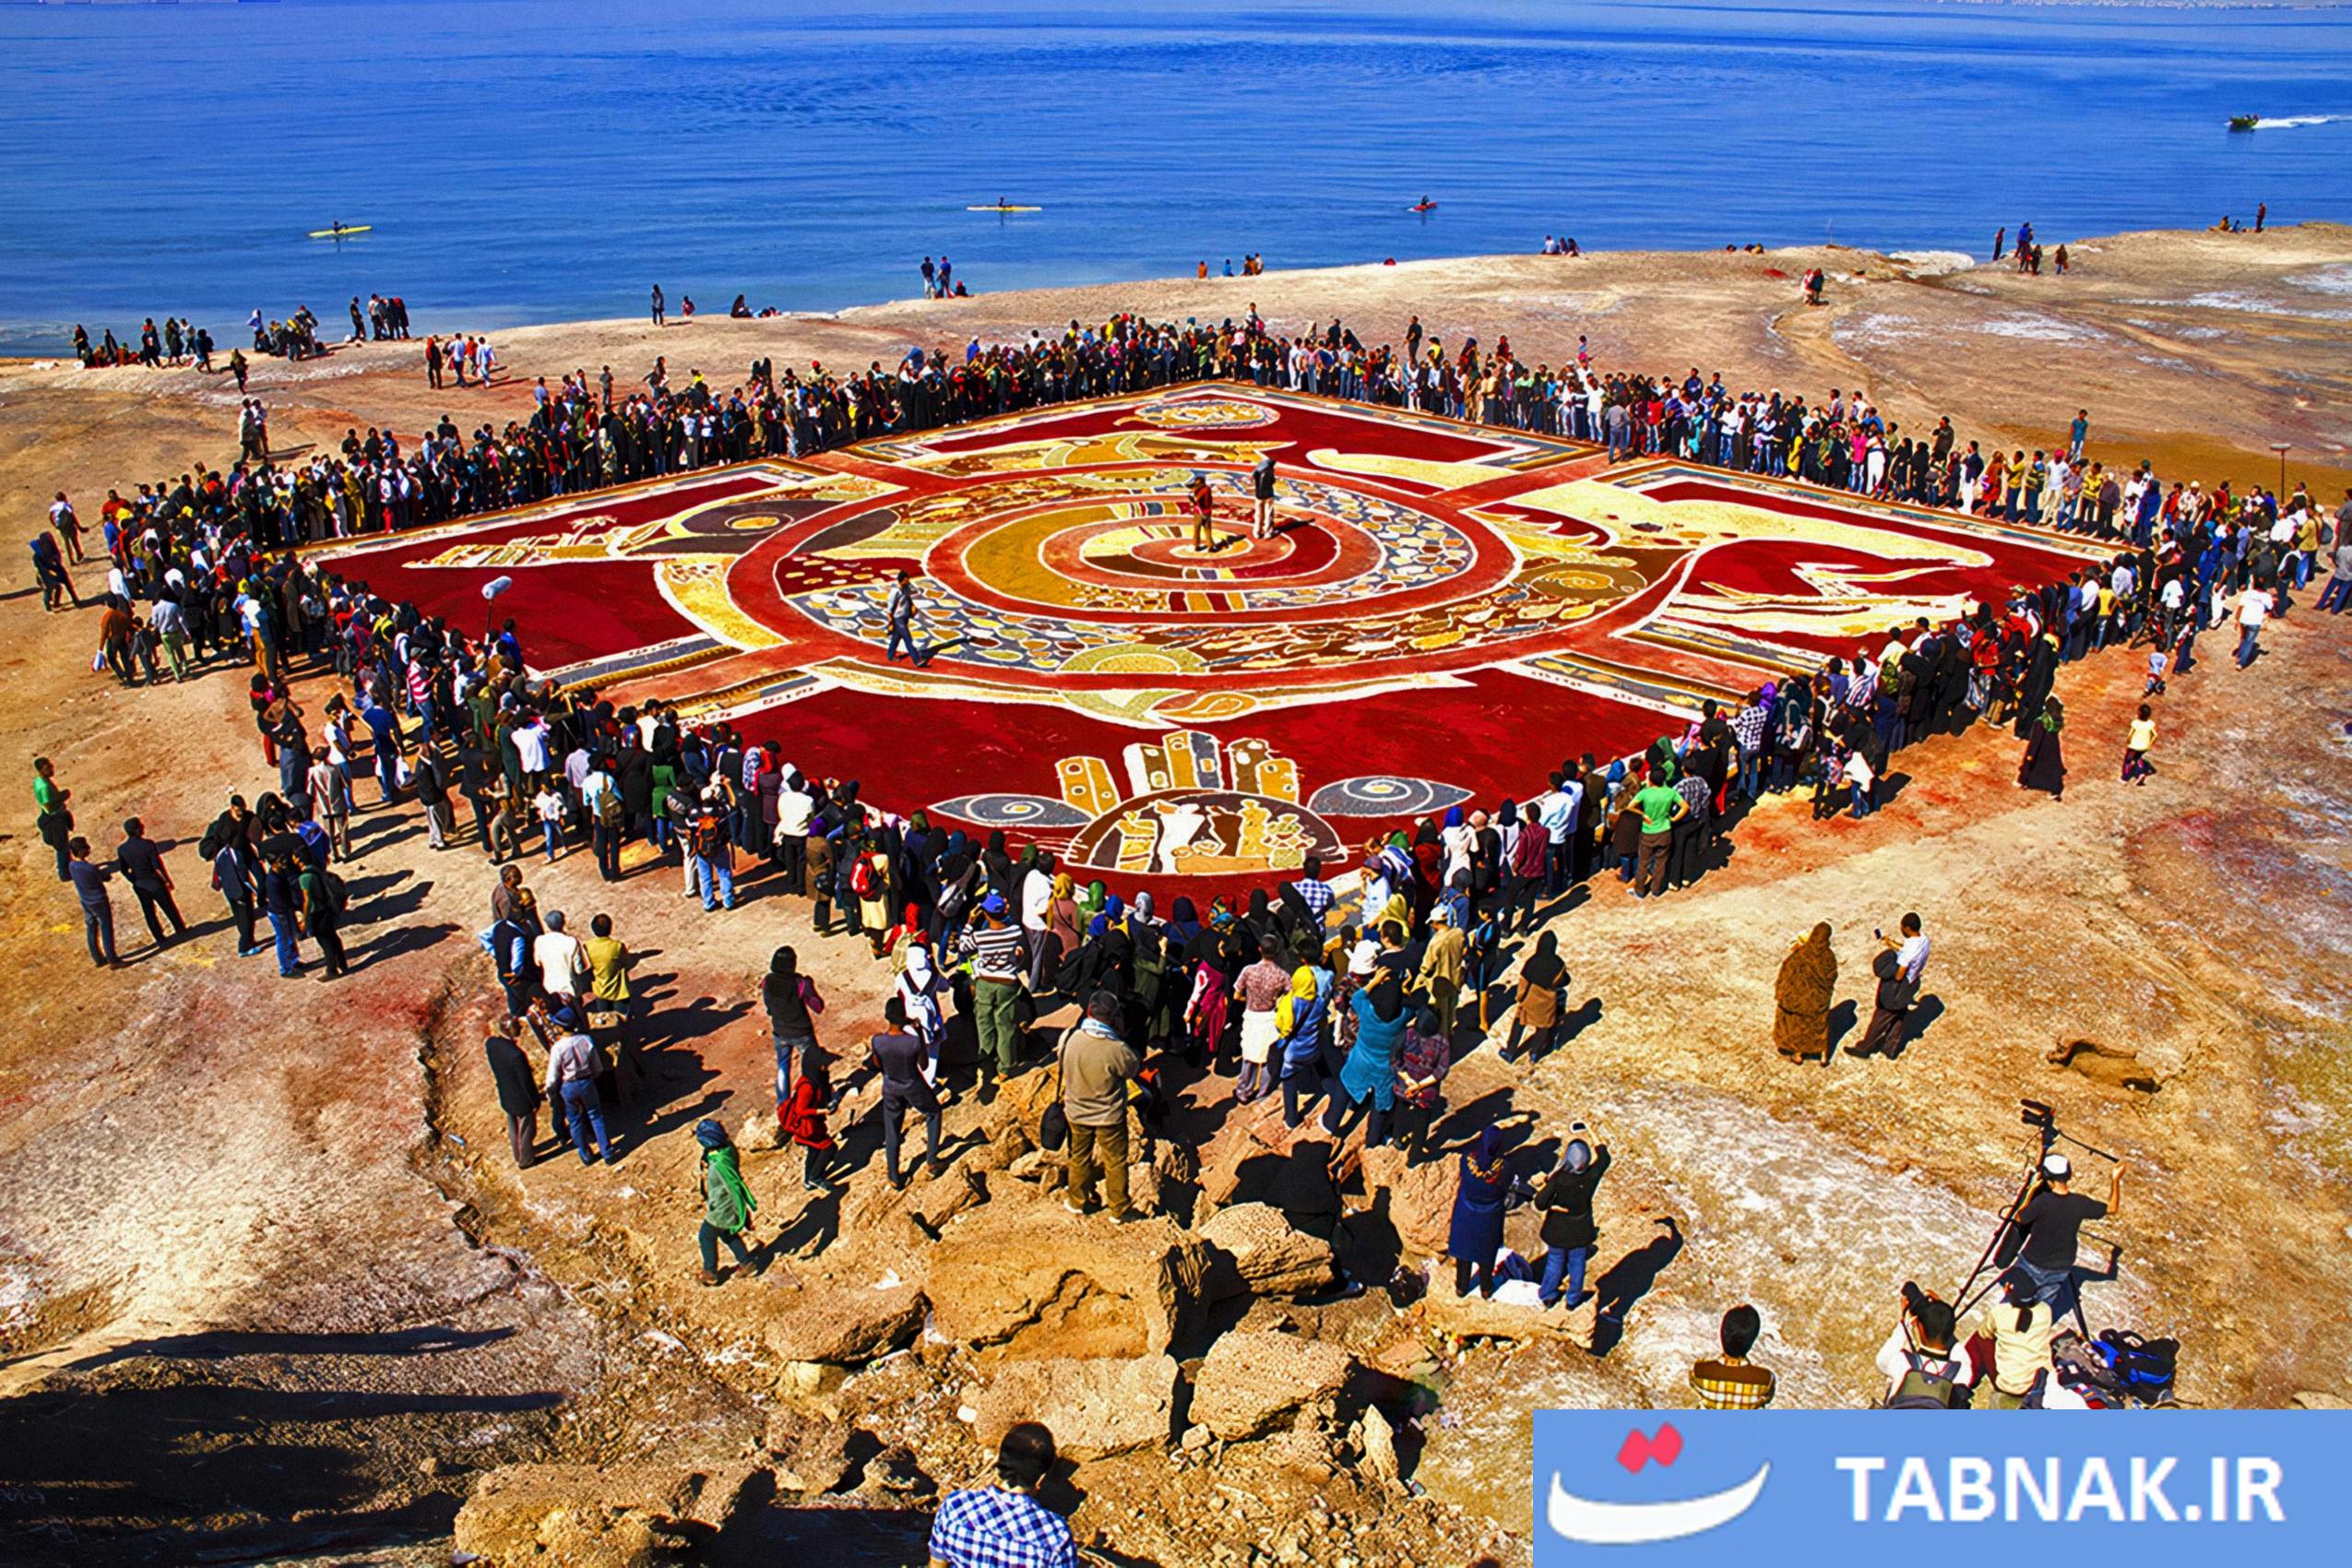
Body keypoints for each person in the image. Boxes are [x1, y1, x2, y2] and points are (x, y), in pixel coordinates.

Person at [927, 1421, 1075, 1568]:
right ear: (1041, 1478)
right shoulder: (1056, 1536)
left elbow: (937, 1564)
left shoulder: (956, 1507)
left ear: (999, 1460)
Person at [1998, 1152, 2123, 1316]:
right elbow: (2112, 1208)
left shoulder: (2042, 1202)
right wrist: (2115, 1179)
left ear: (2046, 1177)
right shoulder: (2079, 1203)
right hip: (2060, 1267)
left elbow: (2020, 1217)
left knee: (2010, 1307)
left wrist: (2031, 1190)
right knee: (2040, 1312)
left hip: (2033, 1262)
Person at [1062, 990, 1140, 1220]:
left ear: (1088, 1012)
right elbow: (1132, 1068)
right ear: (1114, 1017)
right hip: (1109, 1116)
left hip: (1076, 1111)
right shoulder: (1117, 1049)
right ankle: (1119, 1209)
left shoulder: (1070, 1038)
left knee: (1079, 1156)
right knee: (1115, 1162)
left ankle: (1077, 1200)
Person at [957, 895, 1027, 1098]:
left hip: (985, 982)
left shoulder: (980, 936)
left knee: (984, 1024)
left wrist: (970, 923)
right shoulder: (1014, 931)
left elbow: (962, 946)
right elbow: (1017, 943)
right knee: (1006, 1025)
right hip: (1007, 983)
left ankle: (986, 1064)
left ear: (986, 914)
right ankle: (1005, 1068)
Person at [872, 996, 944, 1189]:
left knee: (892, 1129)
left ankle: (894, 1175)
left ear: (887, 1017)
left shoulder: (878, 1041)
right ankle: (931, 1161)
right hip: (912, 1085)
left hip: (890, 1087)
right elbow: (924, 1064)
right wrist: (919, 1032)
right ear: (904, 1015)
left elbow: (877, 1064)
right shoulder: (911, 1042)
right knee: (934, 1112)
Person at [1534, 1126, 1610, 1309]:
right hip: (1581, 1228)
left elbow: (1540, 1203)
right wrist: (1591, 1129)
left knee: (1554, 1262)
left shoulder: (1559, 1178)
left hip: (1557, 1230)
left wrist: (1555, 1206)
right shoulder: (1592, 1175)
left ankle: (1548, 1296)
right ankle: (1572, 1300)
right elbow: (1604, 1155)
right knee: (1577, 1264)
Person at [1447, 1125, 1515, 1300]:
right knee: (1486, 1253)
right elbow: (1505, 1187)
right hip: (1490, 1216)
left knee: (1464, 1252)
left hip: (1466, 1212)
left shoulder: (1467, 1161)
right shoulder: (1504, 1168)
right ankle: (1486, 1288)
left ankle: (1461, 1287)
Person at [1875, 1285, 1968, 1408]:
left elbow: (1881, 1361)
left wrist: (1905, 1321)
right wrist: (1941, 1312)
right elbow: (1956, 1346)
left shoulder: (1901, 1363)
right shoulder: (1962, 1370)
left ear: (1920, 1329)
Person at [694, 1118, 759, 1286]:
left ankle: (710, 1272)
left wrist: (744, 1213)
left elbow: (734, 1186)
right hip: (724, 1204)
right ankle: (747, 1263)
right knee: (726, 1233)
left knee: (706, 1236)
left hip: (723, 1207)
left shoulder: (721, 1165)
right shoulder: (727, 1148)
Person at [1851, 914, 1926, 1059]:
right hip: (1912, 982)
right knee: (1899, 1014)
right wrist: (1890, 943)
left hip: (1900, 986)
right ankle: (1890, 1047)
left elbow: (1899, 974)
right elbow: (1907, 950)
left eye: (1902, 927)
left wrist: (1890, 971)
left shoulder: (1909, 952)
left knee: (1882, 1016)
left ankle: (1864, 1047)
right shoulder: (1923, 939)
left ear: (1908, 928)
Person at [544, 1011, 614, 1165]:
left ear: (561, 1028)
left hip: (568, 1086)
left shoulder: (558, 1047)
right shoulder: (586, 1040)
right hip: (587, 1082)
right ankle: (607, 1152)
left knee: (575, 1120)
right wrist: (592, 1076)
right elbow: (597, 1066)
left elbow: (553, 1074)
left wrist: (551, 1090)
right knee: (596, 1116)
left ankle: (586, 1155)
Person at [762, 945, 824, 1105]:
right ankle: (813, 1100)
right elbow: (818, 1007)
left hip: (780, 1031)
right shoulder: (800, 983)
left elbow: (769, 1007)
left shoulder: (767, 981)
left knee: (782, 1065)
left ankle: (783, 1102)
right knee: (811, 1066)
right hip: (802, 1032)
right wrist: (811, 986)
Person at [114, 816, 186, 948]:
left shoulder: (122, 849)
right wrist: (167, 881)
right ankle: (180, 928)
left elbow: (124, 870)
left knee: (149, 912)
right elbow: (157, 866)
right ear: (137, 830)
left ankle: (160, 939)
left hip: (140, 884)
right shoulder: (148, 845)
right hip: (154, 882)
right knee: (168, 906)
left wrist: (133, 880)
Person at [1691, 1304, 1778, 1409]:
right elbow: (1767, 1398)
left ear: (1722, 1334)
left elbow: (1693, 1385)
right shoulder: (1766, 1378)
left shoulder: (1699, 1370)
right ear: (1752, 1340)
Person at [1773, 921, 1837, 1063]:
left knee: (1798, 1027)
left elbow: (1787, 974)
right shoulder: (1829, 957)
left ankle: (1798, 1054)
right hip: (1818, 1003)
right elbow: (1831, 977)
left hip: (1799, 1001)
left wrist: (1783, 994)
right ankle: (1823, 1056)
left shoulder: (1800, 954)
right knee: (1817, 1028)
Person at [1500, 931, 1565, 1063]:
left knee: (1518, 1026)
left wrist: (1520, 998)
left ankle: (1510, 1052)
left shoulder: (1533, 961)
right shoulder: (1559, 963)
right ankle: (1534, 1053)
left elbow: (1524, 983)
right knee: (1543, 1029)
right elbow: (1562, 981)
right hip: (1548, 1003)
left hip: (1530, 1000)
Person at [782, 1046, 838, 1191]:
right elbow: (801, 1110)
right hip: (808, 1127)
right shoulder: (807, 1087)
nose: (825, 1066)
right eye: (822, 1064)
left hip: (811, 1126)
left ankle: (808, 1181)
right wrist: (822, 1111)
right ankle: (816, 1177)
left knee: (814, 1151)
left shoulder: (814, 1079)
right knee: (829, 1148)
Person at [485, 1019, 540, 1168]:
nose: (520, 1029)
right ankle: (525, 1160)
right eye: (517, 1027)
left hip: (505, 1092)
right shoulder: (516, 1055)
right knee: (526, 1131)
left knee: (514, 1128)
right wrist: (535, 1101)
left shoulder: (491, 1044)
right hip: (521, 1099)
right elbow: (526, 1082)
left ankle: (518, 1155)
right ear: (510, 1030)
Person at [65, 837, 119, 968]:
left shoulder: (72, 866)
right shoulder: (89, 868)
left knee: (91, 928)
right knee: (106, 927)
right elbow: (103, 878)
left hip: (86, 901)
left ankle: (98, 958)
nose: (88, 849)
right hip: (98, 901)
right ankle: (113, 960)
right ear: (80, 852)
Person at [298, 855, 349, 979]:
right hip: (327, 910)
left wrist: (304, 920)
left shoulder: (304, 877)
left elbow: (307, 901)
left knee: (325, 943)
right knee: (333, 938)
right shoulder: (318, 871)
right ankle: (342, 964)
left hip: (316, 914)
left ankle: (332, 970)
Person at [2017, 696, 2067, 799]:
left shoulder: (2040, 722)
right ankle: (2055, 790)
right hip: (2053, 749)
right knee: (2052, 769)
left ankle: (2025, 781)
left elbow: (2035, 742)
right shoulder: (2057, 721)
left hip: (2041, 750)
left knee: (2034, 767)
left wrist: (2030, 756)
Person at [33, 756, 73, 883]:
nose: (51, 769)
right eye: (47, 768)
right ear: (40, 770)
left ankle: (67, 868)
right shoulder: (44, 786)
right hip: (54, 817)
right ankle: (65, 874)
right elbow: (48, 805)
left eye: (50, 766)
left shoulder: (39, 781)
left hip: (52, 815)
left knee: (63, 845)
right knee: (62, 846)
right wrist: (63, 796)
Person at [2234, 581, 2268, 667]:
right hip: (2255, 621)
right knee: (2249, 642)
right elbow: (2270, 608)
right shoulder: (2266, 596)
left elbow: (2240, 607)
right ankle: (2241, 663)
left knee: (2243, 637)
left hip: (2244, 619)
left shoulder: (2247, 593)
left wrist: (2237, 619)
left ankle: (2239, 654)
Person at [2121, 703, 2157, 784]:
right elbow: (2155, 735)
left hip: (2133, 746)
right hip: (2143, 747)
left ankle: (2125, 778)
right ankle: (2141, 773)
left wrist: (2129, 741)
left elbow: (2130, 734)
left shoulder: (2135, 723)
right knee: (2137, 759)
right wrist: (2149, 744)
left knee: (2128, 761)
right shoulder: (2150, 724)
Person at [1251, 452, 1277, 540]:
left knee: (1258, 513)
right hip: (1268, 494)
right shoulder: (1269, 470)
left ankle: (1257, 532)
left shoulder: (1257, 470)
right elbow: (1272, 481)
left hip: (1258, 494)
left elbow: (1253, 478)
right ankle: (1268, 532)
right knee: (1268, 513)